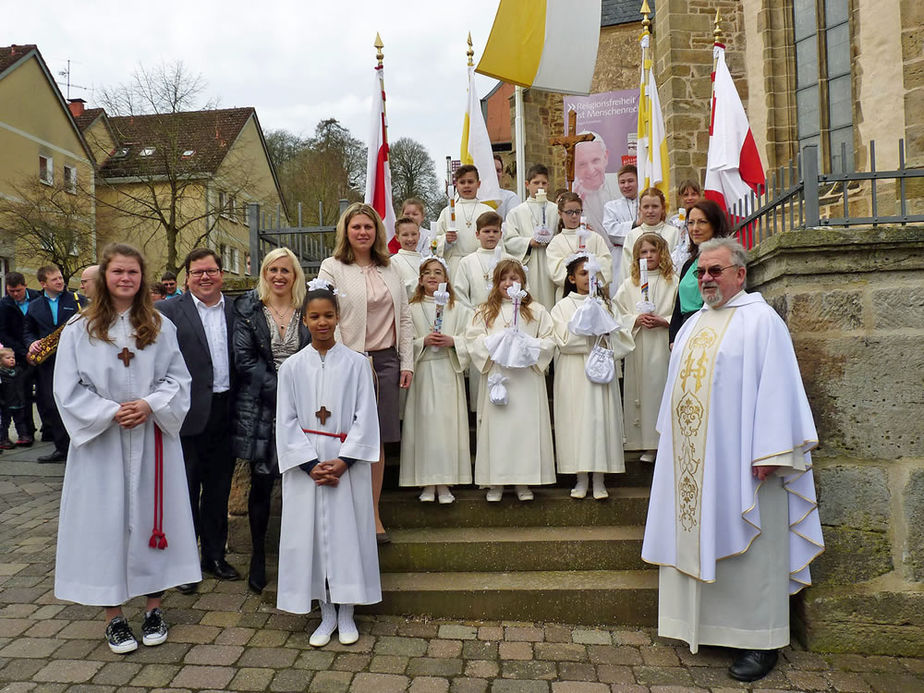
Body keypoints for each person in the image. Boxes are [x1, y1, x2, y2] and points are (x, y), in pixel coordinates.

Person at [641, 237, 823, 682]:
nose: (706, 278)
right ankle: (699, 625)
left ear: (740, 274)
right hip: (693, 460)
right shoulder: (692, 324)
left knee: (752, 544)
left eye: (716, 270)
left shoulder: (761, 322)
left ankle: (760, 641)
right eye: (702, 271)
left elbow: (779, 387)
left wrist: (772, 450)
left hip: (744, 461)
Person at [52, 242, 199, 654]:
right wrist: (109, 411)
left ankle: (154, 607)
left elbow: (178, 381)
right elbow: (66, 390)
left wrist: (148, 404)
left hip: (151, 438)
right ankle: (113, 616)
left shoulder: (159, 325)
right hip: (102, 442)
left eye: (133, 273)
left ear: (142, 278)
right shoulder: (80, 330)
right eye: (118, 272)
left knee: (157, 522)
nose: (125, 279)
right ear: (105, 276)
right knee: (106, 525)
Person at [275, 280, 381, 646]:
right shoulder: (290, 368)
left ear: (338, 318)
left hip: (344, 463)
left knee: (346, 534)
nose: (322, 322)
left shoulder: (355, 364)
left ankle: (348, 610)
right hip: (308, 465)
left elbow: (366, 416)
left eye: (328, 316)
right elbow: (285, 420)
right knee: (313, 538)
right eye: (315, 316)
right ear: (304, 320)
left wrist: (344, 461)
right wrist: (308, 465)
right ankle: (326, 611)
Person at [319, 203, 413, 544]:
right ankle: (346, 513)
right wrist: (344, 360)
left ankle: (373, 515)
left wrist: (407, 363)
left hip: (386, 361)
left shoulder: (390, 269)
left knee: (377, 440)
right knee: (348, 436)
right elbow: (327, 315)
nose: (362, 232)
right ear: (346, 231)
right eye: (356, 226)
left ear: (377, 232)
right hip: (349, 361)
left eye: (368, 227)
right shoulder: (332, 268)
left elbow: (403, 317)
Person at [157, 249, 240, 596]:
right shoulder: (167, 312)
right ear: (186, 277)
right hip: (187, 414)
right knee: (186, 491)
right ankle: (184, 564)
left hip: (226, 410)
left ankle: (214, 556)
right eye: (197, 272)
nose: (205, 277)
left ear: (222, 274)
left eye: (211, 271)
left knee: (219, 490)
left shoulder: (237, 310)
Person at [231, 247, 309, 593]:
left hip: (306, 406)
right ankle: (259, 555)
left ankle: (301, 556)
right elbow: (245, 361)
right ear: (264, 273)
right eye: (272, 270)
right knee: (262, 483)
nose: (279, 276)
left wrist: (300, 397)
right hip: (263, 407)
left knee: (300, 483)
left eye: (286, 271)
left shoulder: (307, 309)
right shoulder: (249, 309)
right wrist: (282, 394)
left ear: (295, 276)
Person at [467, 259, 555, 503]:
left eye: (514, 278)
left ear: (523, 282)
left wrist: (527, 345)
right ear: (495, 283)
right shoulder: (484, 311)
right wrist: (498, 344)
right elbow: (473, 340)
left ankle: (523, 480)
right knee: (498, 429)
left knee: (524, 429)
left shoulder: (536, 311)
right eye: (503, 278)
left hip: (525, 379)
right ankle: (495, 480)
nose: (508, 283)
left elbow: (549, 340)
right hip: (499, 376)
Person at [550, 254, 634, 499]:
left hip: (600, 369)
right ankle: (580, 476)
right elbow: (562, 341)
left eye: (592, 274)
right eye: (583, 274)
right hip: (574, 371)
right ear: (572, 278)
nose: (588, 279)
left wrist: (606, 335)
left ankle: (599, 477)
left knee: (600, 420)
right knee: (576, 422)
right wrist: (587, 335)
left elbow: (623, 339)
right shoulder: (562, 307)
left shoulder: (607, 304)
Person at [399, 258, 472, 504]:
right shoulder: (411, 309)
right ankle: (428, 483)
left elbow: (471, 338)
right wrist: (422, 342)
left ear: (446, 279)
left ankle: (445, 483)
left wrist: (453, 342)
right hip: (423, 374)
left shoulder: (459, 309)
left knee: (447, 430)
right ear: (420, 280)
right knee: (425, 430)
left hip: (448, 373)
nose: (432, 276)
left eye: (438, 272)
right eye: (427, 273)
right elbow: (403, 341)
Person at [614, 234, 678, 462]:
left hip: (662, 343)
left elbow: (680, 313)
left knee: (660, 389)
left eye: (653, 251)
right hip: (639, 343)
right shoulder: (629, 284)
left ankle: (664, 442)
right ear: (636, 256)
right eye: (644, 252)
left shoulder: (673, 281)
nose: (649, 256)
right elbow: (617, 312)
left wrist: (664, 320)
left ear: (662, 253)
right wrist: (635, 319)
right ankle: (644, 443)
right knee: (641, 392)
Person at [24, 265, 86, 463]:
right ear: (43, 284)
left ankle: (81, 447)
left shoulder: (78, 301)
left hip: (77, 360)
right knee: (51, 404)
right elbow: (28, 331)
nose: (60, 281)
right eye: (55, 279)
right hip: (48, 362)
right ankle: (62, 448)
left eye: (60, 278)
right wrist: (31, 343)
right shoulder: (34, 306)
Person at [669, 199, 731, 344]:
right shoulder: (688, 265)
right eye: (691, 223)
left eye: (702, 222)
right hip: (685, 331)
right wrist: (673, 339)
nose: (694, 228)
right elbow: (678, 307)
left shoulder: (726, 259)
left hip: (709, 331)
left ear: (714, 225)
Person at [503, 163, 559, 309]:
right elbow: (508, 241)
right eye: (536, 183)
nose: (540, 186)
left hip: (550, 262)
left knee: (551, 301)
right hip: (530, 263)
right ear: (527, 184)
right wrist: (529, 242)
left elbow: (561, 236)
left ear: (548, 185)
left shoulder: (556, 210)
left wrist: (552, 241)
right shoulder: (516, 212)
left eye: (544, 183)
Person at [546, 192, 612, 302]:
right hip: (568, 296)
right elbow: (555, 272)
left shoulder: (594, 237)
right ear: (560, 213)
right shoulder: (556, 243)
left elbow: (607, 262)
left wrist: (591, 261)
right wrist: (574, 263)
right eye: (569, 212)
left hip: (593, 293)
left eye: (577, 212)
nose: (574, 216)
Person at [0, 272, 40, 445]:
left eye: (18, 290)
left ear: (25, 286)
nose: (15, 294)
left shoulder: (37, 298)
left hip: (39, 351)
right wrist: (23, 352)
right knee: (21, 394)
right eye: (11, 291)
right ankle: (27, 432)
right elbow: (3, 332)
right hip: (19, 355)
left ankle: (49, 428)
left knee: (45, 393)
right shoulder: (4, 304)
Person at [435, 165, 495, 275]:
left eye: (470, 182)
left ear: (478, 184)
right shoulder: (447, 212)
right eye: (462, 182)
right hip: (456, 266)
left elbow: (497, 239)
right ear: (456, 185)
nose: (466, 186)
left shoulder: (488, 211)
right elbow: (434, 241)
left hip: (482, 264)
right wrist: (446, 240)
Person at [617, 187, 680, 286]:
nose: (650, 211)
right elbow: (626, 269)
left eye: (655, 206)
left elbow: (677, 266)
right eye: (646, 207)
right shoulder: (632, 235)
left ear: (663, 208)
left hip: (667, 286)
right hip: (637, 286)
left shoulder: (674, 233)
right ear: (640, 209)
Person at [573, 134, 620, 239]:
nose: (591, 170)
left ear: (605, 157)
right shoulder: (572, 194)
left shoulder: (621, 185)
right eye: (582, 164)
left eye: (595, 160)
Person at [601, 164, 641, 281]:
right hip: (621, 255)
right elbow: (611, 231)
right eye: (622, 182)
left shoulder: (646, 203)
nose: (626, 185)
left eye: (630, 181)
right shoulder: (611, 206)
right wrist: (635, 224)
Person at [667, 179, 703, 269]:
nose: (690, 198)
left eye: (693, 194)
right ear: (680, 197)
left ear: (699, 195)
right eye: (686, 195)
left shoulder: (705, 218)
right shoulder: (674, 221)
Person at [0, 348, 31, 449]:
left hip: (18, 401)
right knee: (5, 423)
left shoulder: (19, 371)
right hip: (6, 403)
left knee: (20, 420)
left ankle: (23, 436)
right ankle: (3, 439)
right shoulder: (1, 375)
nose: (11, 359)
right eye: (8, 358)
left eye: (13, 357)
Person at [391, 217, 423, 299]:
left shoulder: (425, 260)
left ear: (419, 235)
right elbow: (395, 290)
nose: (410, 239)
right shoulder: (393, 262)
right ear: (397, 238)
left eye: (414, 234)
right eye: (405, 235)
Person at [494, 153, 522, 220]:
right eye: (492, 170)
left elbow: (512, 224)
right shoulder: (475, 197)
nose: (495, 174)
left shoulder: (510, 197)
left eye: (498, 171)